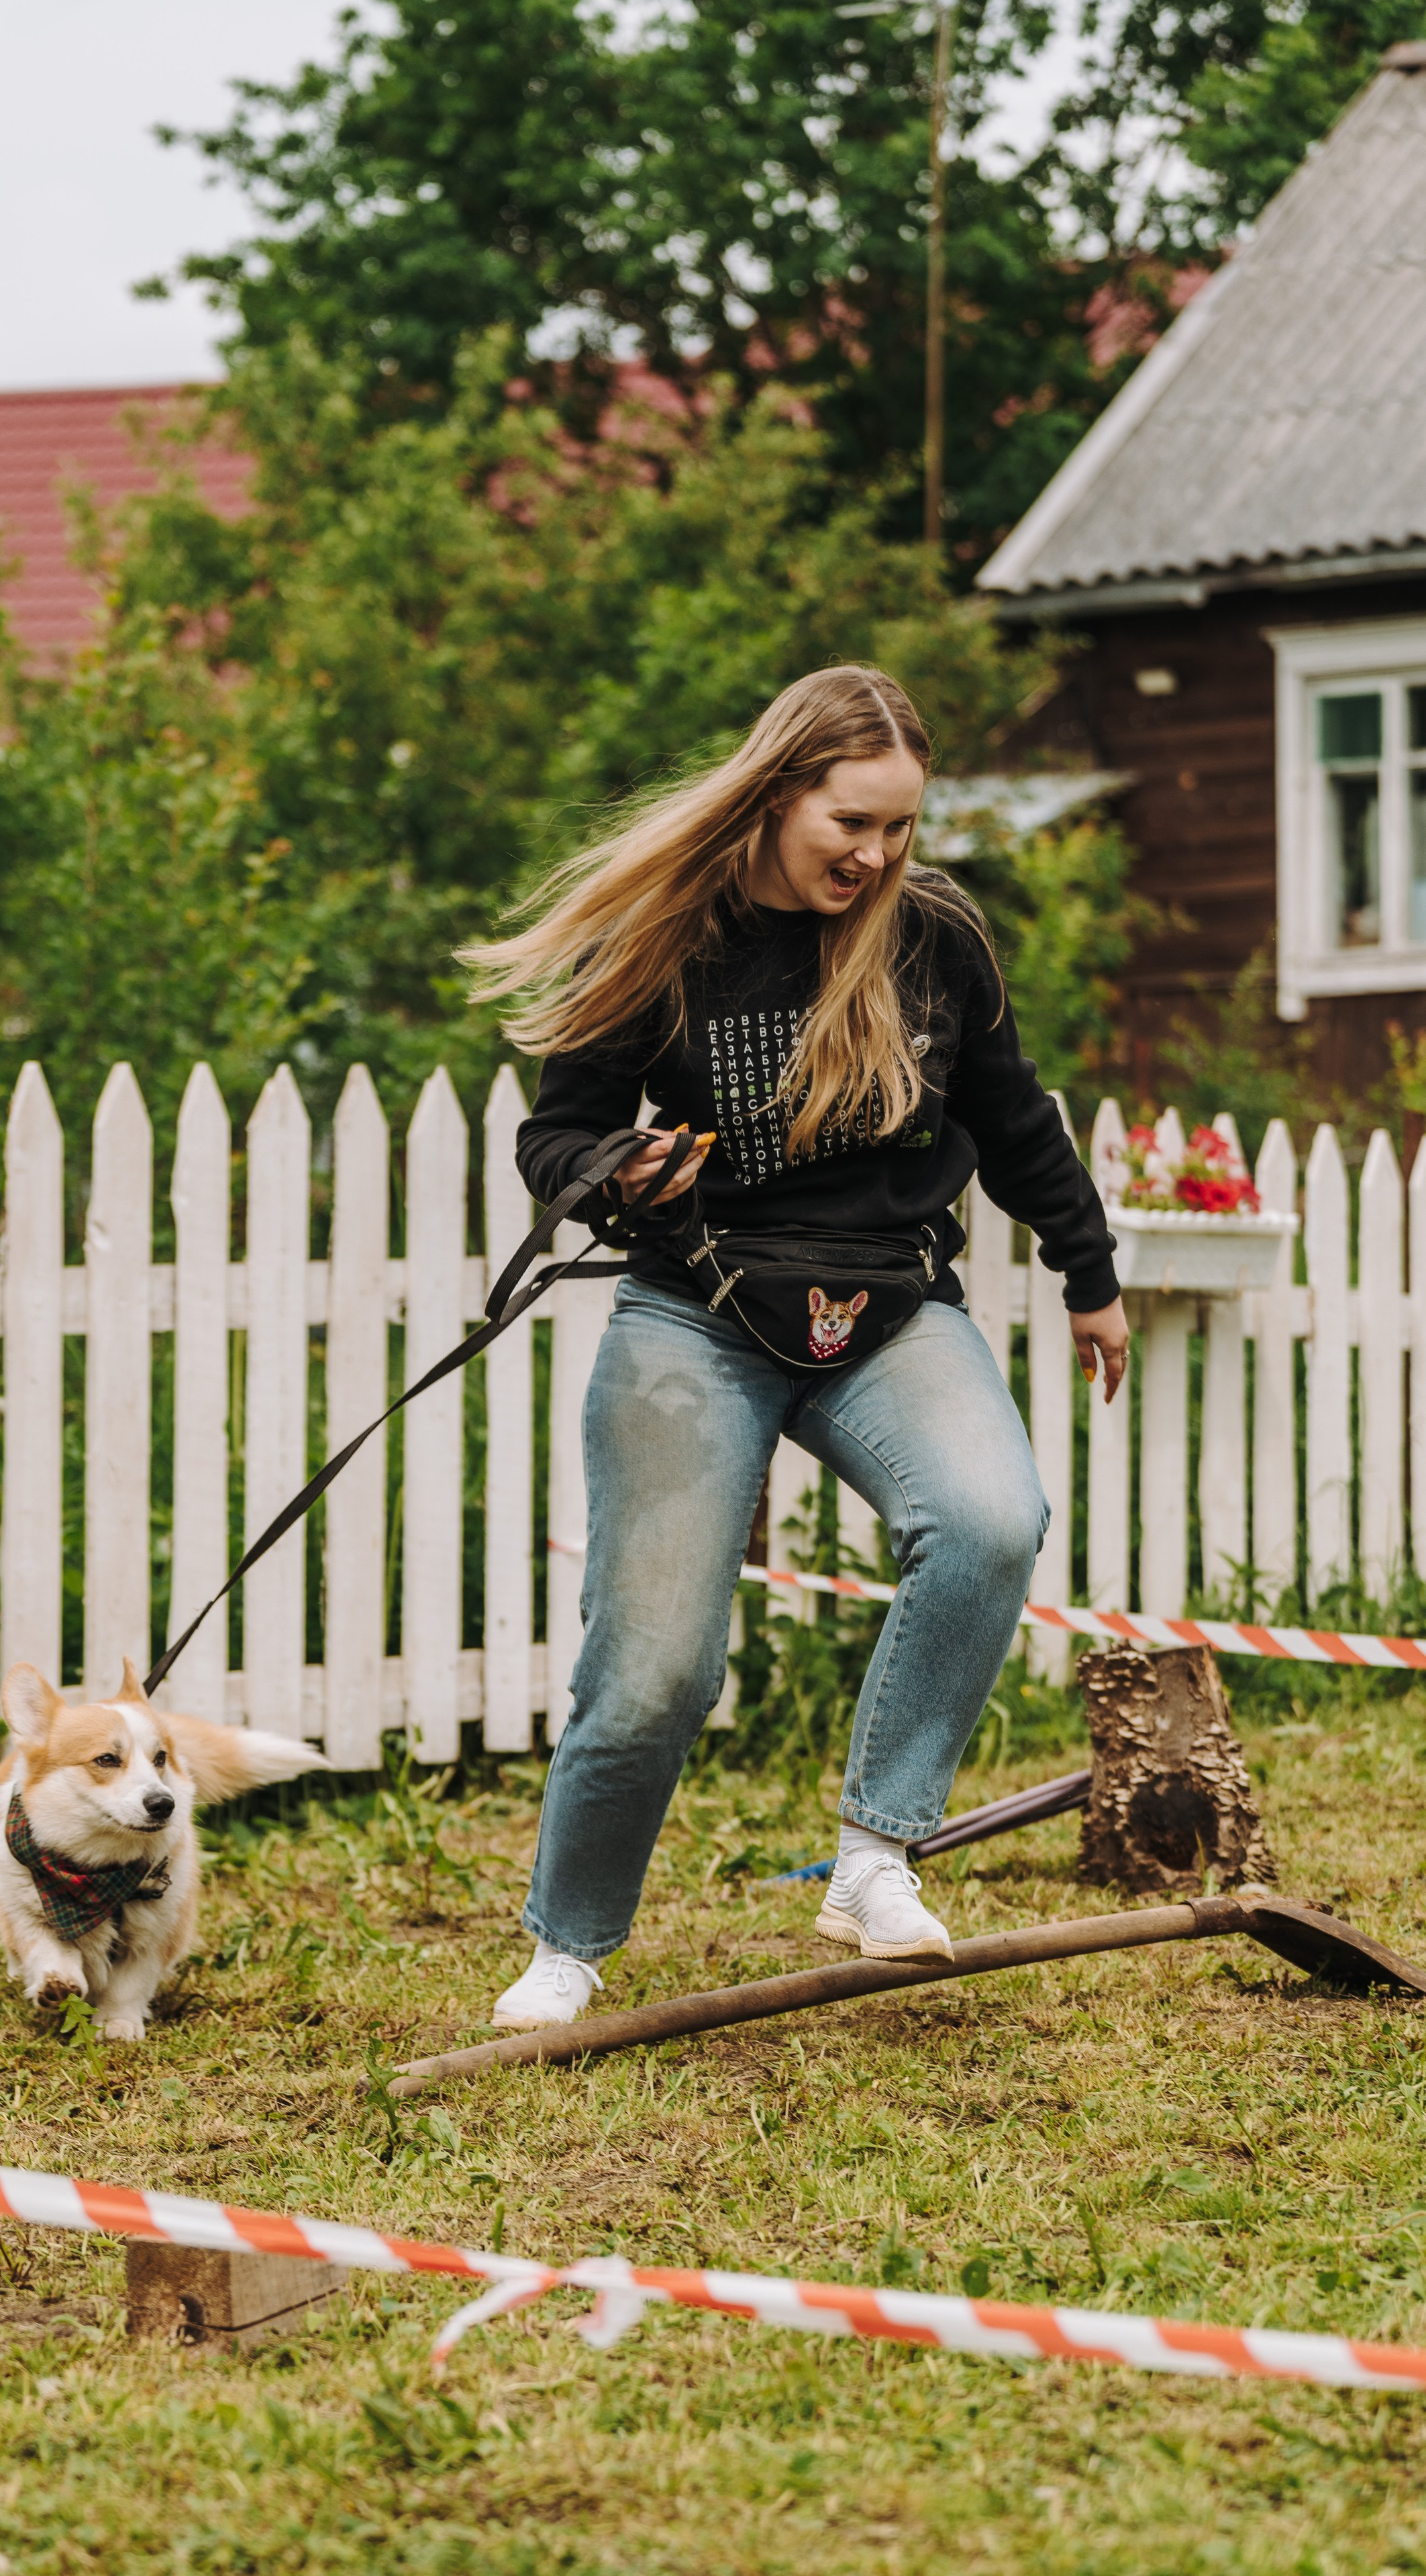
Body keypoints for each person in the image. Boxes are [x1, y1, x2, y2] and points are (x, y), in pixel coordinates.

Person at [465, 666, 1128, 2029]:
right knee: (655, 1664)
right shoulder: (668, 934)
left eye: (897, 826)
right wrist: (617, 1168)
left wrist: (1087, 1273)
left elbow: (1012, 1118)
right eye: (850, 823)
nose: (875, 854)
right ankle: (567, 1946)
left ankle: (875, 1858)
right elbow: (552, 1134)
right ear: (779, 793)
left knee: (992, 1518)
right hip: (696, 1310)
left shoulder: (931, 935)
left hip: (887, 1303)